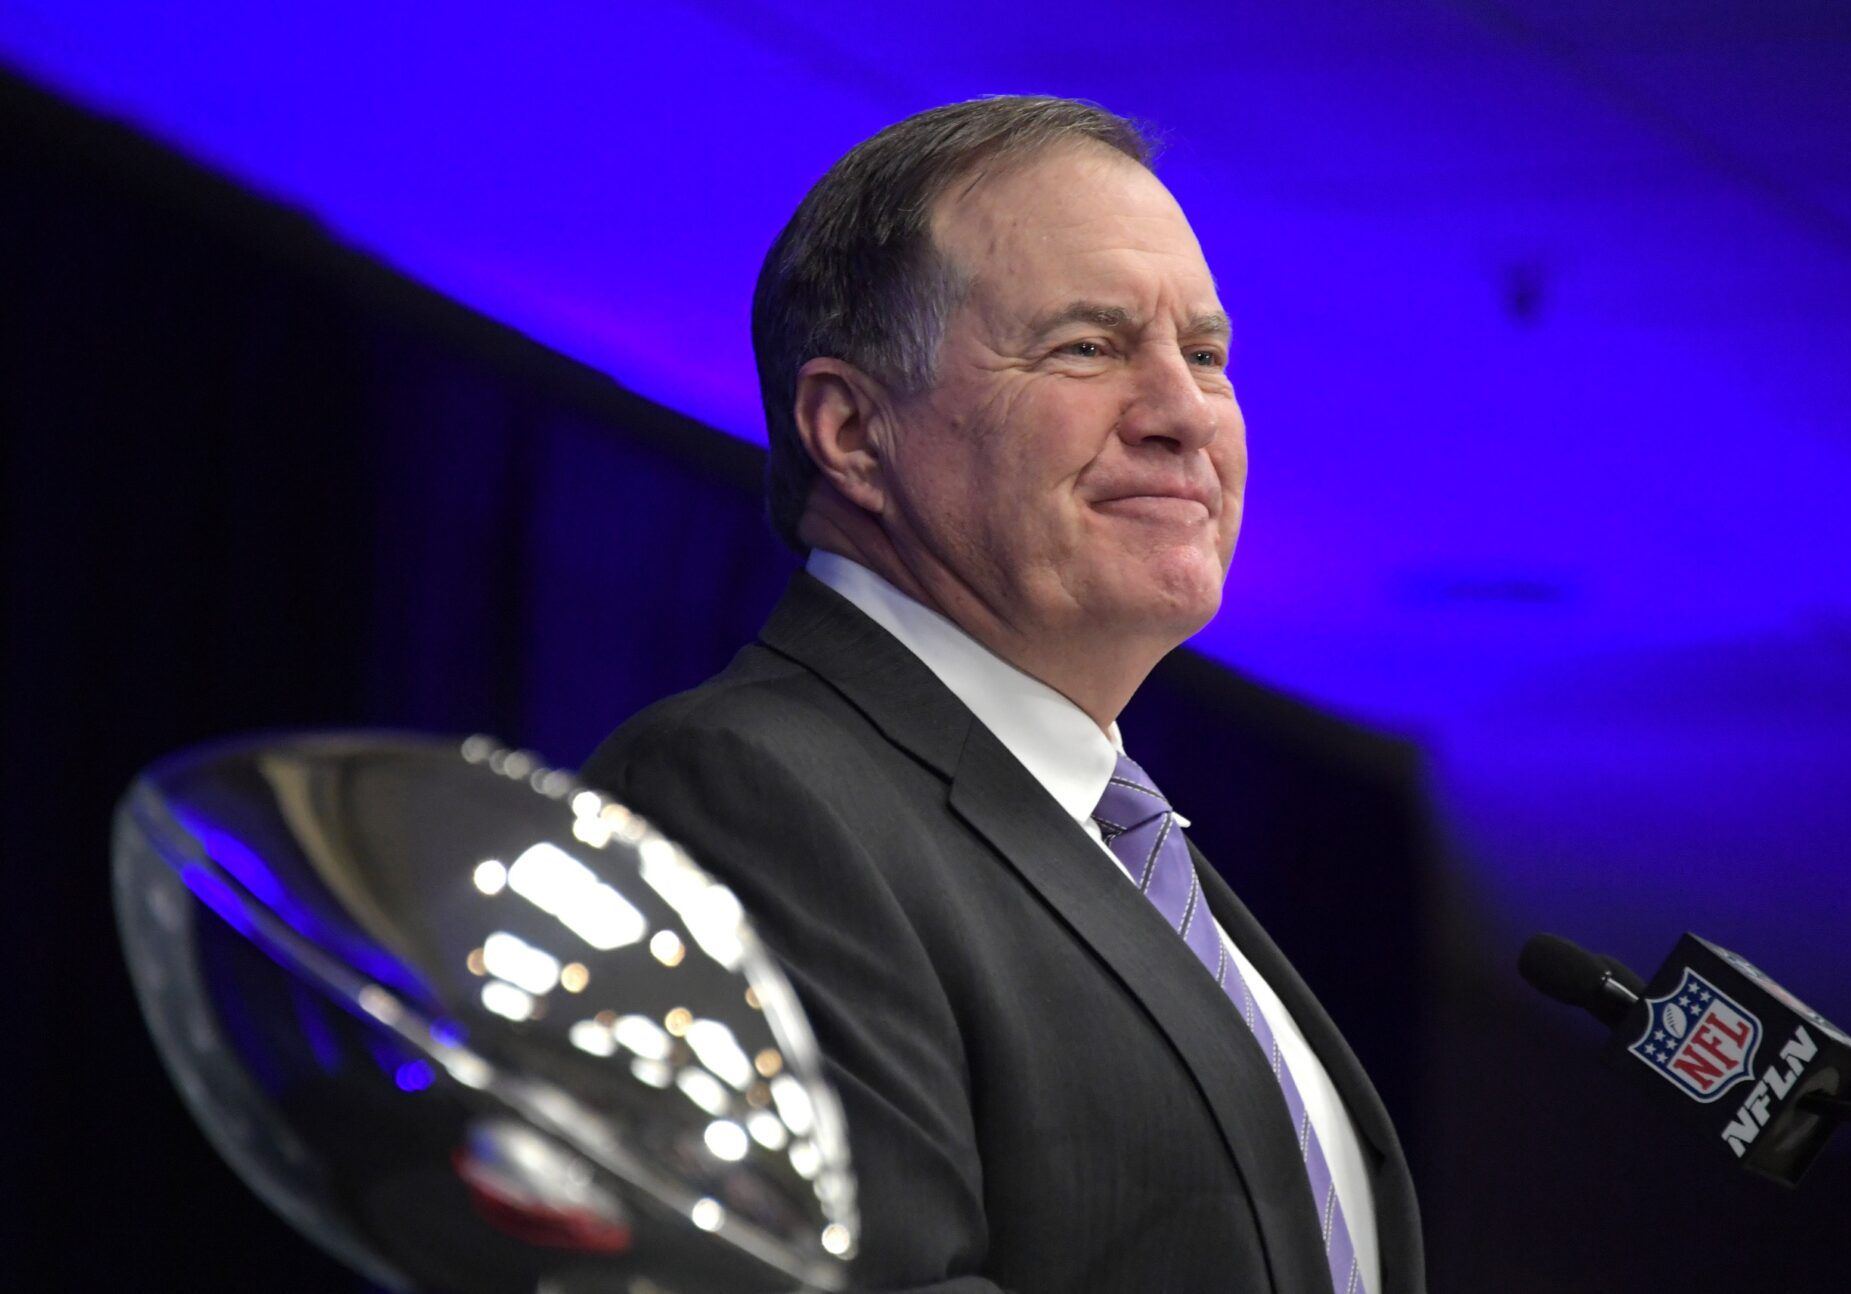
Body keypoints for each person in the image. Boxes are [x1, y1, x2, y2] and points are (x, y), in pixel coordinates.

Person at [584, 95, 1423, 1293]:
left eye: (1204, 355)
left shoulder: (1126, 845)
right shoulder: (744, 791)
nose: (1185, 414)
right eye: (1086, 346)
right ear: (854, 430)